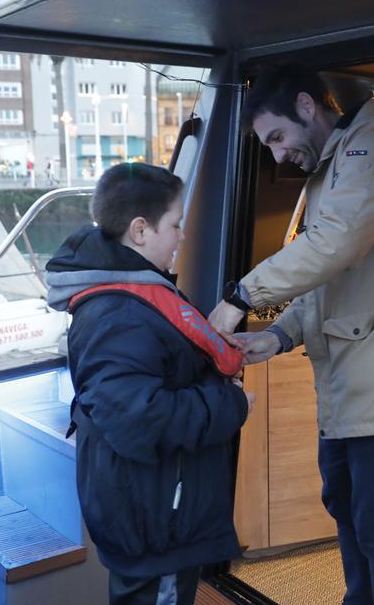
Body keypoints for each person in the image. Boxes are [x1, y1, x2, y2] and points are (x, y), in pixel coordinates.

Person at [208, 65, 374, 605]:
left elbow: (336, 243)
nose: (277, 156)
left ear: (306, 105)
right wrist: (277, 336)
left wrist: (238, 298)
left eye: (276, 138)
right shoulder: (333, 164)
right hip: (351, 378)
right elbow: (333, 276)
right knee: (346, 507)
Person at [45, 163, 251, 605]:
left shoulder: (131, 295)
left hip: (154, 507)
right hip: (158, 520)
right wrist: (233, 402)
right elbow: (141, 420)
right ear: (140, 231)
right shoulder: (120, 314)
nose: (180, 236)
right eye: (175, 225)